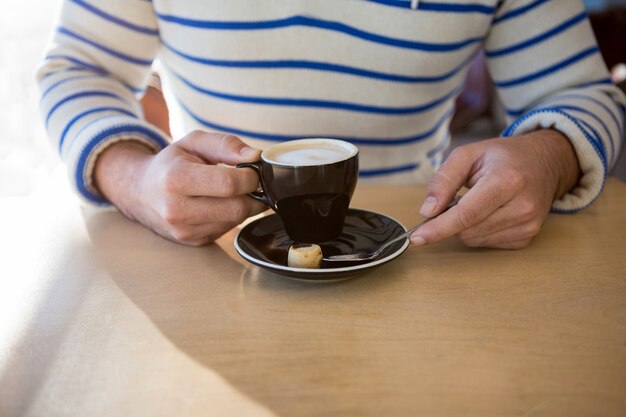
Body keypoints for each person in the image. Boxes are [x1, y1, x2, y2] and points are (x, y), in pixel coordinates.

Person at [38, 0, 625, 248]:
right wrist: (133, 178)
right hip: (210, 257)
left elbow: (580, 92)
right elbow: (77, 68)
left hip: (421, 253)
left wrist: (549, 156)